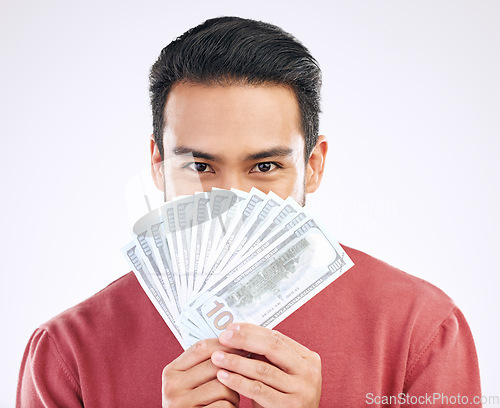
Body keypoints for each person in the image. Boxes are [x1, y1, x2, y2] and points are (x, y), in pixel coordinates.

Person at [17, 16, 481, 407]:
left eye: (265, 166)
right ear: (158, 166)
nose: (231, 199)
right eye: (200, 165)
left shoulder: (422, 332)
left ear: (313, 167)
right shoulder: (67, 354)